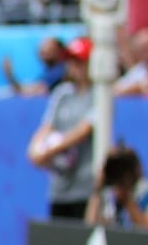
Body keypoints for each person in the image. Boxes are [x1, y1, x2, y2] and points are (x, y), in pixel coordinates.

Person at [29, 38, 97, 220]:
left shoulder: (100, 95)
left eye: (80, 61)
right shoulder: (62, 93)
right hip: (60, 187)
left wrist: (49, 150)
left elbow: (84, 131)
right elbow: (46, 128)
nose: (74, 66)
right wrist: (35, 150)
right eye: (71, 61)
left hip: (86, 188)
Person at [86, 144, 148, 231]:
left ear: (136, 169)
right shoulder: (111, 196)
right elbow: (91, 227)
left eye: (123, 168)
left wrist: (127, 200)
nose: (119, 173)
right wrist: (98, 189)